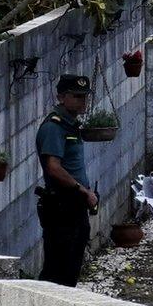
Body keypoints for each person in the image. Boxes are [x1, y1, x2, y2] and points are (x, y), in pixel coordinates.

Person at [35, 74, 98, 287]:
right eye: (77, 96)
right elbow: (53, 167)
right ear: (61, 97)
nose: (83, 101)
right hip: (62, 205)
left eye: (85, 97)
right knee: (58, 269)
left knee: (71, 266)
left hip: (73, 205)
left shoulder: (70, 125)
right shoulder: (54, 127)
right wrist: (83, 191)